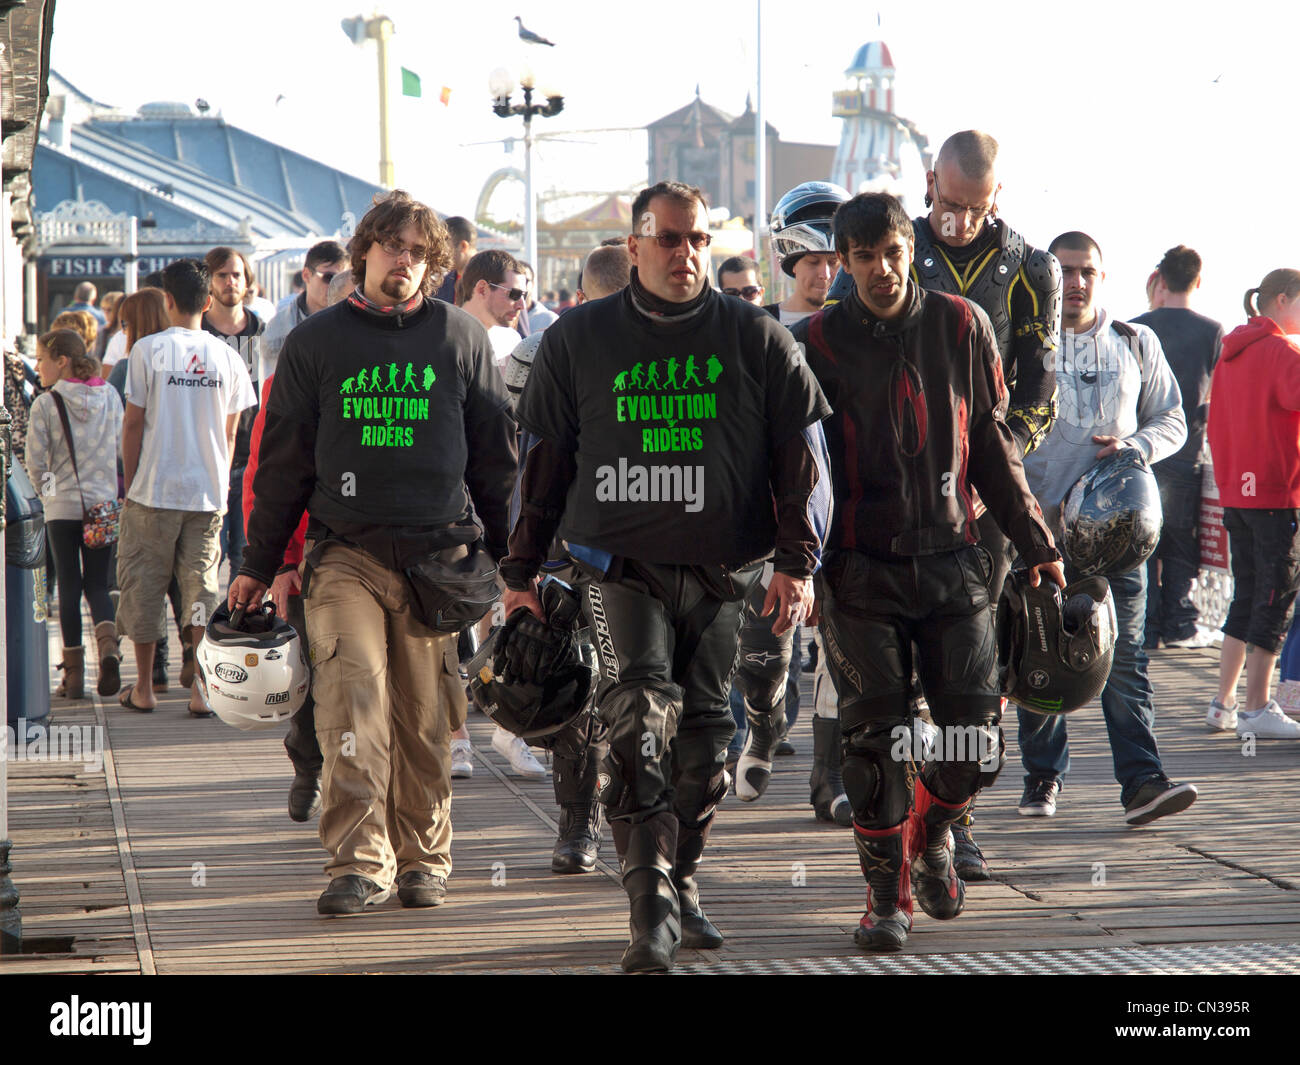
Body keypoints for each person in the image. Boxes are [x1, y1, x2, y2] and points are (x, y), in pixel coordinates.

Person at [501, 180, 831, 972]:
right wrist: (519, 572)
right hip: (617, 568)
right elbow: (542, 466)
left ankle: (679, 878)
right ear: (639, 244)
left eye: (698, 241)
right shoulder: (577, 340)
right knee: (638, 721)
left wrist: (798, 562)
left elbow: (802, 458)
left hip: (723, 572)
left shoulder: (755, 336)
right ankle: (647, 911)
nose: (687, 254)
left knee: (708, 742)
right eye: (672, 239)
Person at [230, 190, 518, 915]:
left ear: (435, 264)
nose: (405, 260)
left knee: (425, 717)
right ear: (363, 251)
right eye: (393, 246)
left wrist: (517, 565)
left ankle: (425, 857)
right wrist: (259, 563)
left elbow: (495, 460)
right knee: (351, 703)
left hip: (438, 559)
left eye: (419, 251)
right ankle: (359, 861)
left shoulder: (461, 338)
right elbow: (283, 463)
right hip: (344, 555)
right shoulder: (316, 343)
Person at [791, 192, 1063, 952]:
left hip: (954, 560)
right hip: (857, 571)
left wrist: (1037, 540)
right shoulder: (812, 340)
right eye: (865, 257)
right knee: (873, 748)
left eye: (893, 252)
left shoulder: (961, 323)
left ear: (910, 250)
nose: (883, 268)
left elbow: (992, 444)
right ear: (841, 263)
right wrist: (796, 568)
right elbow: (792, 470)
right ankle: (886, 897)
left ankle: (935, 831)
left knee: (976, 741)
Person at [1018, 231, 1195, 824]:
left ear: (1101, 276)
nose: (1074, 282)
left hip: (1116, 532)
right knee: (1037, 657)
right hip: (1037, 533)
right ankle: (1043, 776)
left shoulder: (1134, 342)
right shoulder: (1023, 345)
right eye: (1063, 271)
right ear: (1045, 276)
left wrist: (1134, 447)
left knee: (1126, 660)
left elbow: (1173, 419)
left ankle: (1142, 782)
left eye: (1086, 271)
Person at [496, 241, 632, 871]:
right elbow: (536, 462)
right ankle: (582, 820)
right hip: (576, 550)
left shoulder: (687, 344)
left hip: (645, 552)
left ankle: (629, 826)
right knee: (575, 684)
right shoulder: (550, 351)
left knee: (639, 693)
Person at [116, 259, 257, 716]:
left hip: (153, 490)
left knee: (143, 586)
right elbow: (233, 433)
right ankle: (200, 690)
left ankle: (144, 688)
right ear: (209, 301)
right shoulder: (229, 357)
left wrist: (132, 480)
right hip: (208, 492)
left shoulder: (146, 350)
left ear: (168, 300)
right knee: (201, 591)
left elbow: (133, 423)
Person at [241, 267, 356, 823]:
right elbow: (266, 480)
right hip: (313, 552)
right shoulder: (285, 381)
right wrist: (279, 564)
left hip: (396, 549)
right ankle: (309, 764)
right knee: (311, 673)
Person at [1205, 269, 1300, 739]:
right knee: (1275, 596)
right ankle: (1259, 706)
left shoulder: (1230, 354)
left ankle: (1223, 701)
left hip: (1236, 493)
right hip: (1277, 493)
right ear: (1282, 300)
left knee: (1246, 593)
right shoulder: (1282, 351)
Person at [25, 329, 124, 700]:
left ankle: (74, 676)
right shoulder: (109, 396)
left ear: (61, 361)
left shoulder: (45, 404)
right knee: (98, 585)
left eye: (41, 359)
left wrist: (51, 496)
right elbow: (118, 449)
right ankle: (109, 647)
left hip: (62, 510)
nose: (38, 366)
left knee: (69, 584)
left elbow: (36, 462)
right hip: (102, 506)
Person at [1133, 246, 1223, 650]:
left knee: (1142, 540)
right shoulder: (1212, 331)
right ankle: (1181, 624)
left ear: (1161, 280)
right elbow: (1218, 394)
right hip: (1187, 451)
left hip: (1140, 451)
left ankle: (1145, 627)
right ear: (1198, 281)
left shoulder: (1133, 327)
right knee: (1181, 540)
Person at [202, 247, 266, 584]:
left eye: (236, 274)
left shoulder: (263, 333)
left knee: (248, 556)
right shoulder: (197, 333)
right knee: (208, 555)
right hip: (207, 460)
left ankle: (241, 630)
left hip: (253, 459)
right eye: (222, 275)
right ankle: (202, 631)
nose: (230, 281)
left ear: (247, 280)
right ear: (209, 283)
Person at [768, 182, 851, 327]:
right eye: (813, 262)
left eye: (834, 262)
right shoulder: (760, 325)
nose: (824, 274)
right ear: (793, 265)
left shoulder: (861, 325)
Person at [262, 240, 348, 378]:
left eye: (342, 279)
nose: (335, 285)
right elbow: (272, 385)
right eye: (329, 277)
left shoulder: (357, 322)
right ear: (306, 275)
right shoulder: (278, 327)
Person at [457, 249, 529, 367]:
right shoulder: (444, 336)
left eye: (524, 296)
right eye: (514, 294)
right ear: (482, 289)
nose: (522, 305)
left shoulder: (511, 340)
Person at [435, 216, 476, 304]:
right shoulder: (441, 286)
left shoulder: (489, 286)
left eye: (443, 248)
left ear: (463, 246)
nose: (439, 254)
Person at [518, 260, 558, 333]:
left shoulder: (548, 319)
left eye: (525, 280)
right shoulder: (500, 317)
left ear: (533, 284)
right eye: (516, 281)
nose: (520, 285)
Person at [93, 291, 124, 363]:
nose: (106, 313)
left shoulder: (128, 331)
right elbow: (97, 357)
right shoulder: (103, 332)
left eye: (110, 309)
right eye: (103, 309)